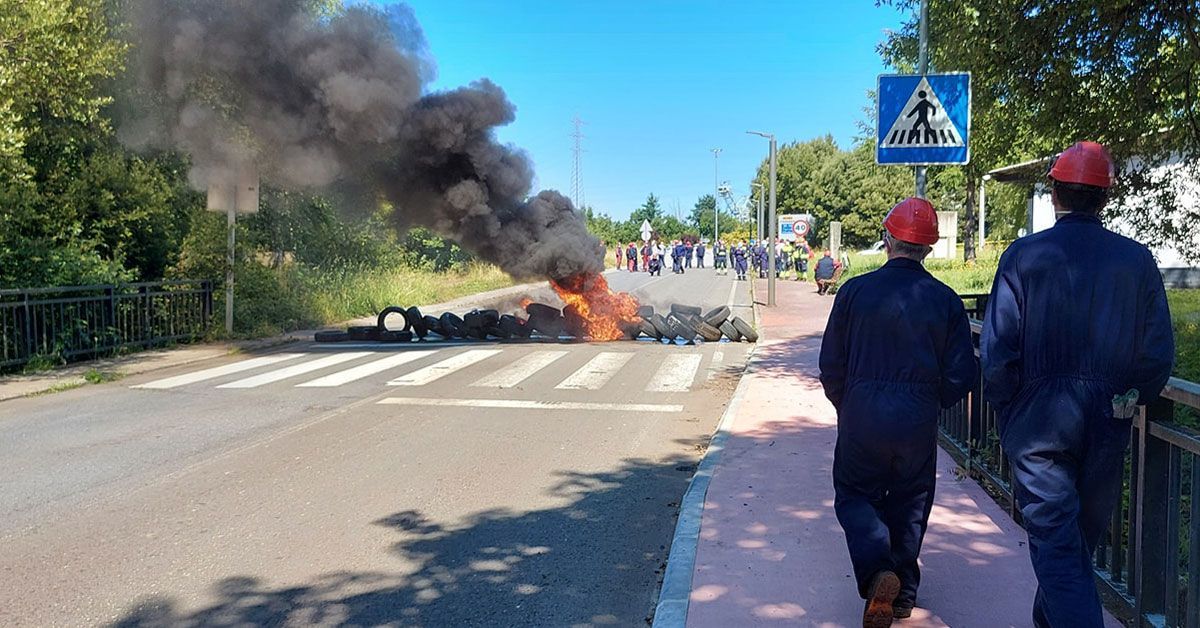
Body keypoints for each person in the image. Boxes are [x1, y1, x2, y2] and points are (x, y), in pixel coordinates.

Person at [980, 142, 1175, 628]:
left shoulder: (1023, 256)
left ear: (1053, 193)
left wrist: (1009, 410)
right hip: (1108, 420)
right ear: (1104, 199)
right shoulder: (1136, 261)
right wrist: (1131, 399)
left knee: (1060, 547)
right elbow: (1156, 356)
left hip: (1038, 424)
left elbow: (998, 350)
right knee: (1075, 542)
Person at [820, 197, 977, 626]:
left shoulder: (853, 291)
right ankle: (903, 593)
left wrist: (848, 403)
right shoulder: (945, 301)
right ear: (928, 249)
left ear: (887, 239)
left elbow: (831, 364)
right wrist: (931, 402)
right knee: (911, 500)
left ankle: (877, 571)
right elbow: (963, 373)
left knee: (854, 494)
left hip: (862, 415)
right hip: (916, 420)